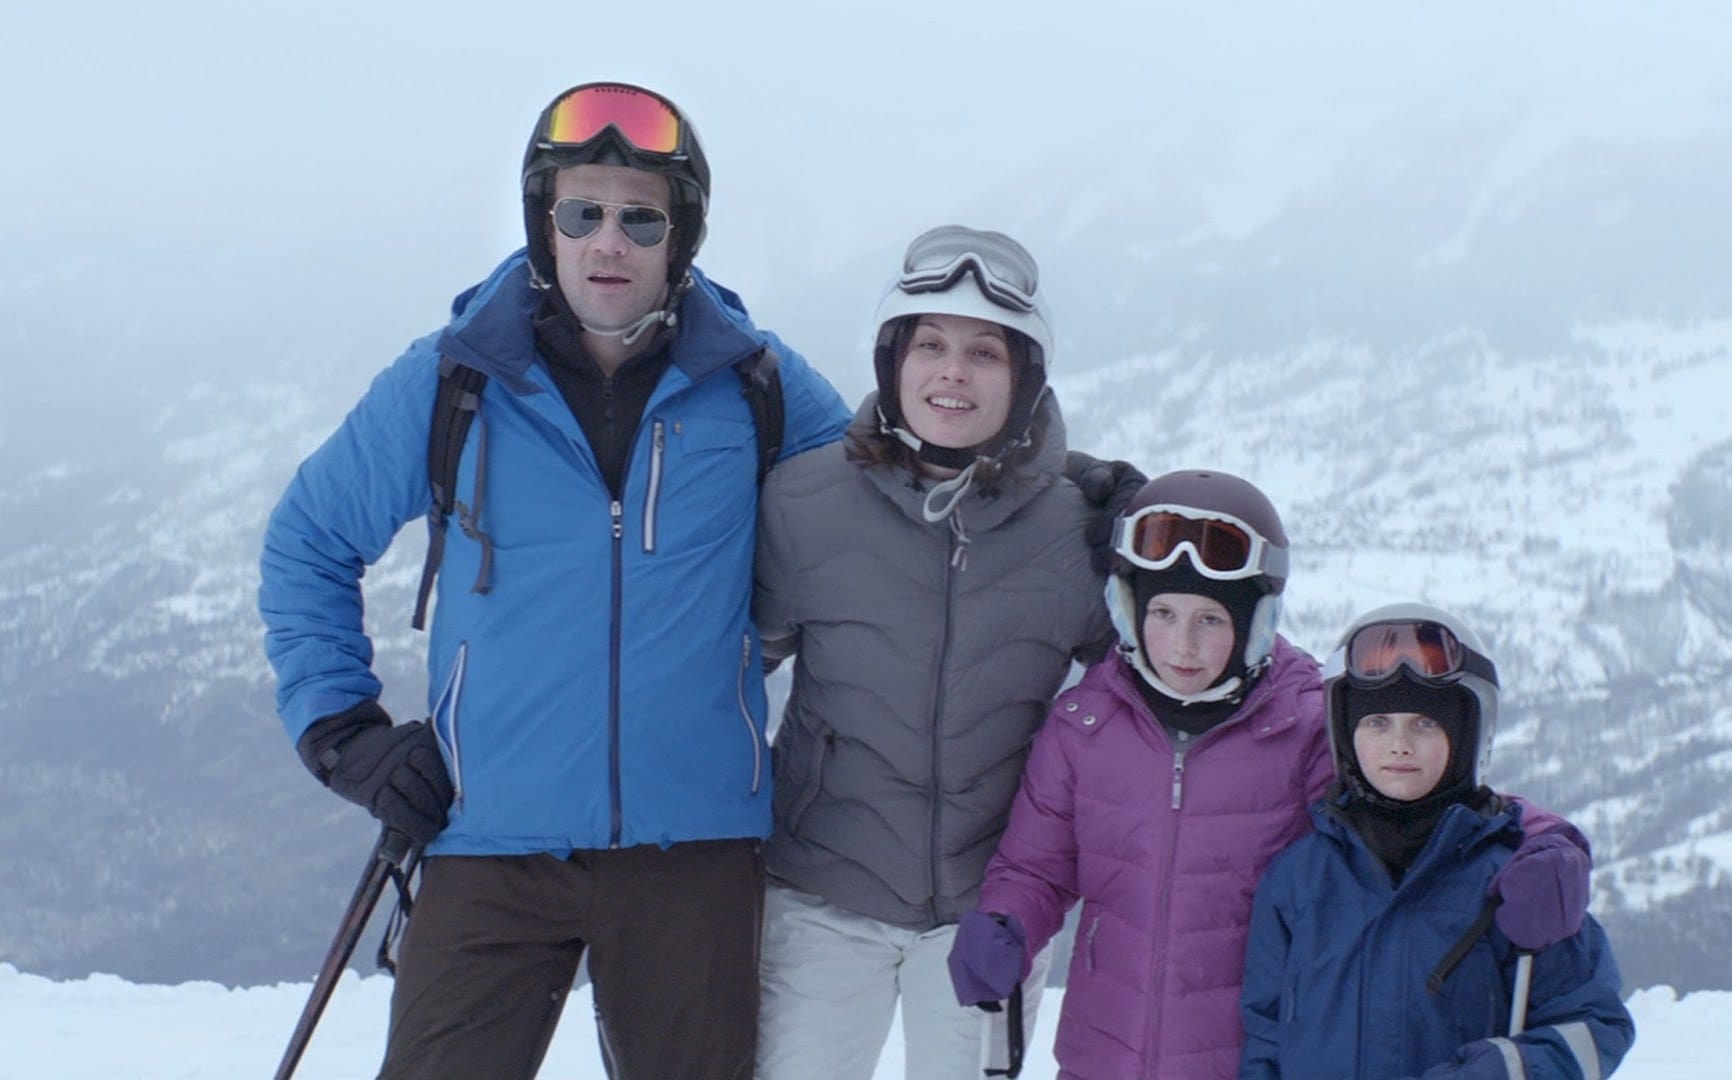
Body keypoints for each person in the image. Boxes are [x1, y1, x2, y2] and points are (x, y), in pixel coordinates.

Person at [258, 81, 850, 1079]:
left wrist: (1070, 495)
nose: (608, 241)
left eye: (639, 218)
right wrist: (343, 734)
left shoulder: (758, 386)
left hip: (694, 846)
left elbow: (888, 496)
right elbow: (308, 541)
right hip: (488, 833)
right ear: (545, 223)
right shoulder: (455, 381)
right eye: (582, 212)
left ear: (681, 236)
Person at [950, 472, 1596, 1079]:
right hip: (1104, 1054)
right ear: (1128, 610)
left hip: (1245, 1056)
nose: (1183, 645)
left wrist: (1549, 844)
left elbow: (1420, 803)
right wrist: (1006, 922)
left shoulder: (1303, 725)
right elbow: (1036, 868)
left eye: (1211, 620)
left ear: (1254, 624)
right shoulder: (1084, 724)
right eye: (1164, 613)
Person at [752, 225, 1116, 1078]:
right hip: (821, 890)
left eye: (985, 353)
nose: (953, 372)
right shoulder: (804, 504)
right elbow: (715, 673)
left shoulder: (1075, 533)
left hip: (990, 907)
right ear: (893, 363)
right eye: (931, 345)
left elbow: (1146, 699)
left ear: (1024, 379)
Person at [1238, 603, 1635, 1078]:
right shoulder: (1298, 879)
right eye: (1377, 722)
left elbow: (1596, 1026)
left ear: (1467, 735)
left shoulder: (1515, 881)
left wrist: (1503, 1070)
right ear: (1344, 734)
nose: (1399, 744)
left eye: (1425, 723)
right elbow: (1264, 1038)